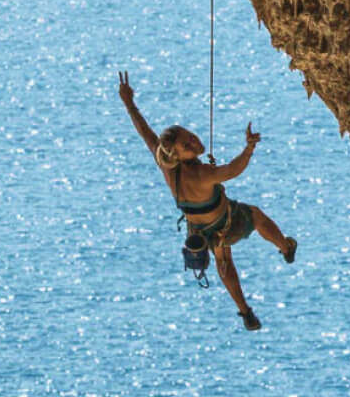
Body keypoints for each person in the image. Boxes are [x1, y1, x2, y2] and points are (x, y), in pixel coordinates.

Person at [118, 70, 296, 331]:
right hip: (224, 220)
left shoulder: (168, 167)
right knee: (255, 215)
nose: (194, 142)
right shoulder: (201, 174)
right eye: (187, 144)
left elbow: (146, 134)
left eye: (190, 136)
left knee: (224, 259)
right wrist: (249, 147)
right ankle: (285, 247)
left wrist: (129, 103)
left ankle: (245, 313)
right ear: (178, 154)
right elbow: (233, 170)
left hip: (199, 229)